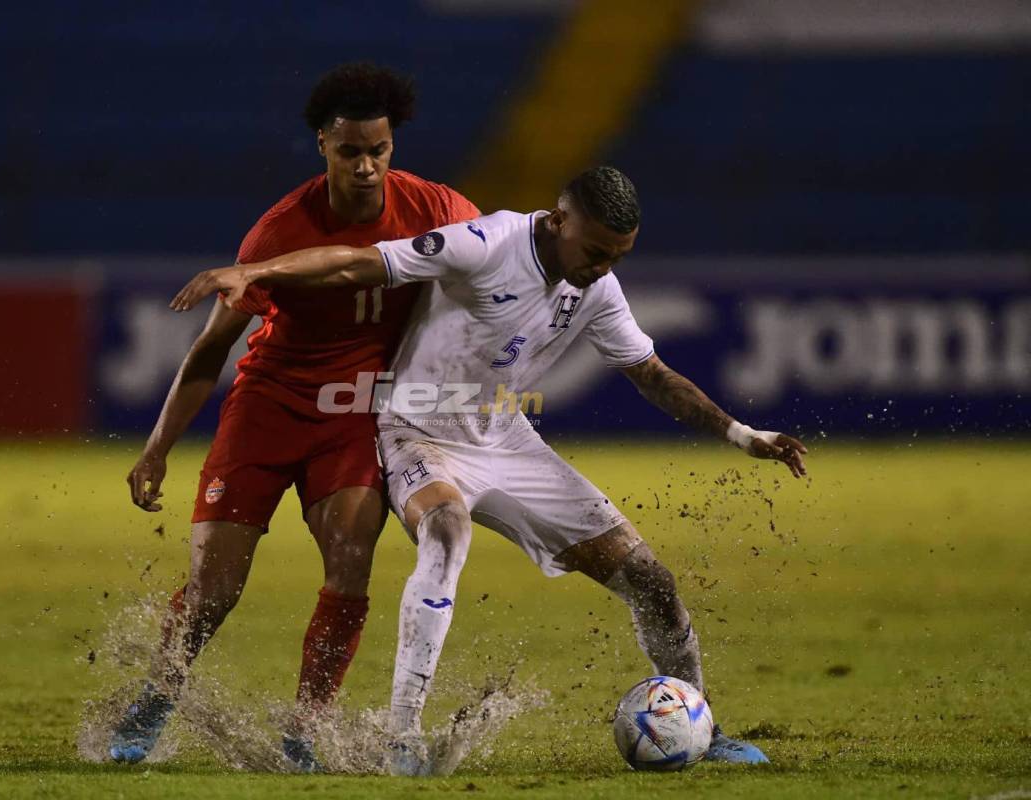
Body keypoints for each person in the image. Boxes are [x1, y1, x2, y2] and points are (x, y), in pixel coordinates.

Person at [170, 165, 808, 774]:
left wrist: (740, 433)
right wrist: (256, 269)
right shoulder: (484, 243)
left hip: (505, 438)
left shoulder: (597, 288)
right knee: (447, 531)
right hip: (415, 431)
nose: (603, 268)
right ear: (560, 221)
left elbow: (652, 375)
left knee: (651, 580)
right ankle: (403, 737)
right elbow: (360, 262)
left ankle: (705, 730)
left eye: (619, 255)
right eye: (596, 251)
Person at [109, 62, 480, 770]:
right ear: (322, 145)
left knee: (351, 557)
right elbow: (211, 351)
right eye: (351, 152)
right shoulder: (279, 231)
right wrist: (157, 449)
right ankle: (158, 695)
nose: (367, 166)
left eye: (379, 150)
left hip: (353, 415)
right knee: (215, 590)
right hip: (269, 406)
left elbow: (497, 267)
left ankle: (305, 727)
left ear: (392, 145)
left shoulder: (438, 209)